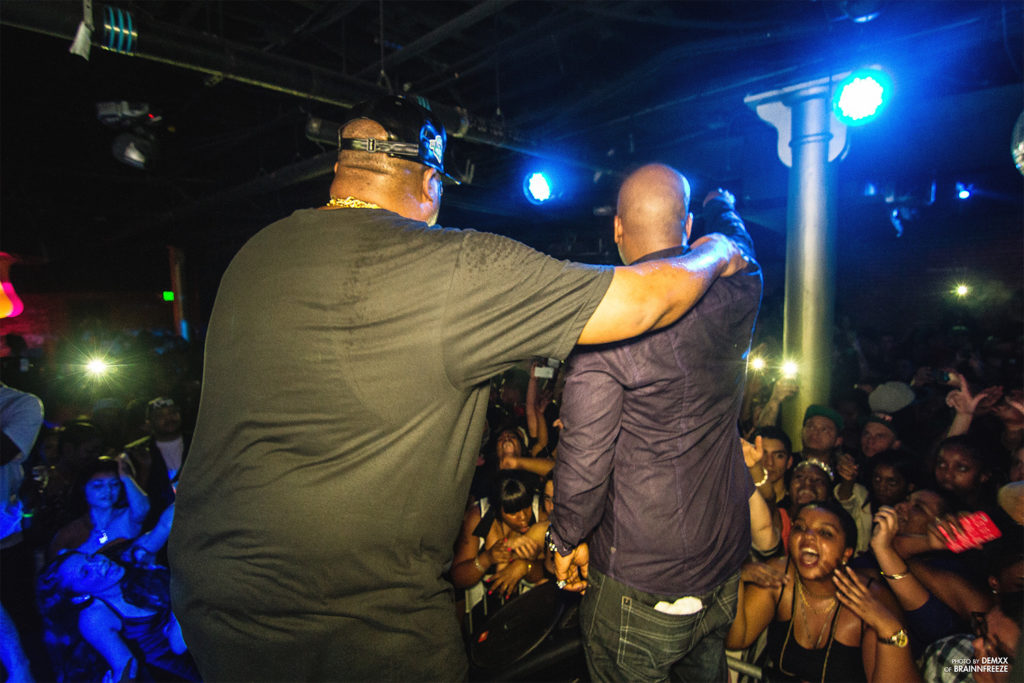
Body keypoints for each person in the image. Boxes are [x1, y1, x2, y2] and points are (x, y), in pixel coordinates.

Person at [168, 96, 749, 682]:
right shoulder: (451, 267)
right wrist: (720, 247)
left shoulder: (254, 256)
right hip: (359, 627)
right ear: (429, 183)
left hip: (216, 610)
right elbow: (645, 300)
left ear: (342, 166)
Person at [546, 166, 762, 682]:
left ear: (617, 229)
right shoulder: (740, 292)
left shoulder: (606, 325)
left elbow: (583, 460)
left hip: (640, 584)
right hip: (722, 566)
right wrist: (724, 205)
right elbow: (741, 246)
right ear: (686, 225)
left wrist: (563, 539)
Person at [726, 500, 921, 682]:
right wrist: (737, 578)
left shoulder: (872, 599)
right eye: (800, 528)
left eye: (825, 533)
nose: (808, 536)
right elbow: (737, 639)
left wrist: (888, 628)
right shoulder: (779, 574)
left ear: (846, 553)